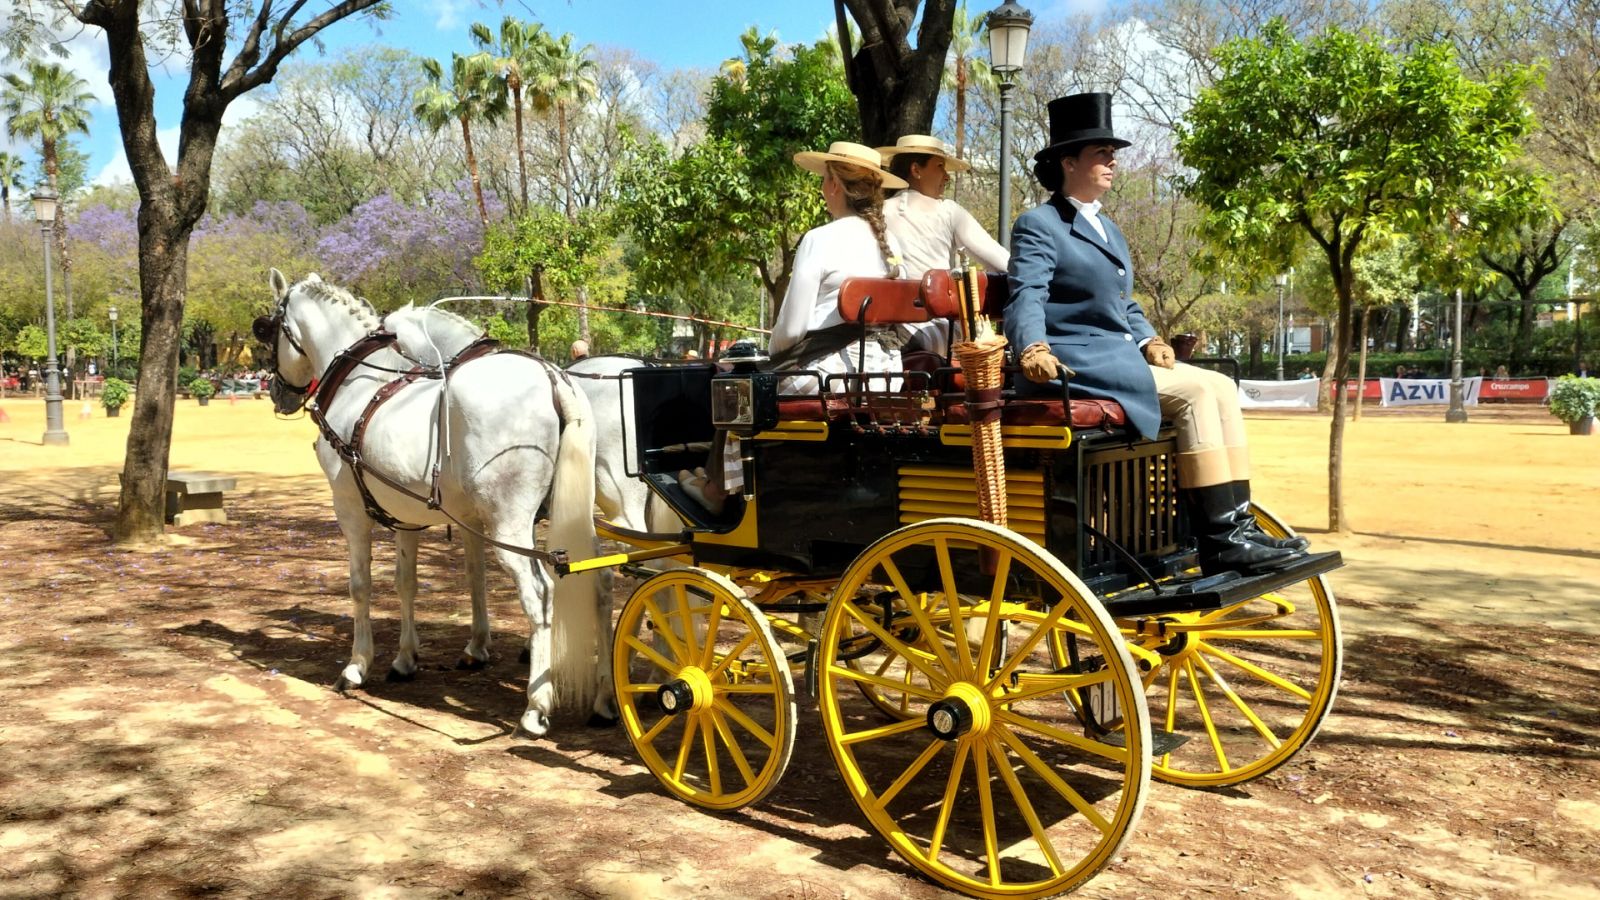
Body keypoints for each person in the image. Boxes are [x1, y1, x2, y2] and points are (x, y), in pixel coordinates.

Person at [1004, 92, 1304, 577]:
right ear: (1067, 161)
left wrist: (1148, 339)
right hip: (1076, 364)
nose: (1112, 161)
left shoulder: (1109, 228)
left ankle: (1238, 528)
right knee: (1193, 394)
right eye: (1101, 152)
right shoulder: (1038, 224)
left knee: (1221, 385)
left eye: (1112, 153)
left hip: (1119, 357)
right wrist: (1031, 346)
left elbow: (1125, 301)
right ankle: (1222, 541)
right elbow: (1026, 293)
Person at [680, 141, 908, 513]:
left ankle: (718, 492)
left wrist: (765, 361)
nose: (822, 188)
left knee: (741, 386)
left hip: (829, 376)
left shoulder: (821, 238)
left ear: (834, 184)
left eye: (823, 179)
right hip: (886, 376)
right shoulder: (891, 244)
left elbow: (788, 332)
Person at [878, 134, 1009, 354]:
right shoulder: (948, 211)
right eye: (940, 166)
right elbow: (1004, 263)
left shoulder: (877, 213)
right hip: (939, 332)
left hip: (885, 332)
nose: (947, 177)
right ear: (916, 170)